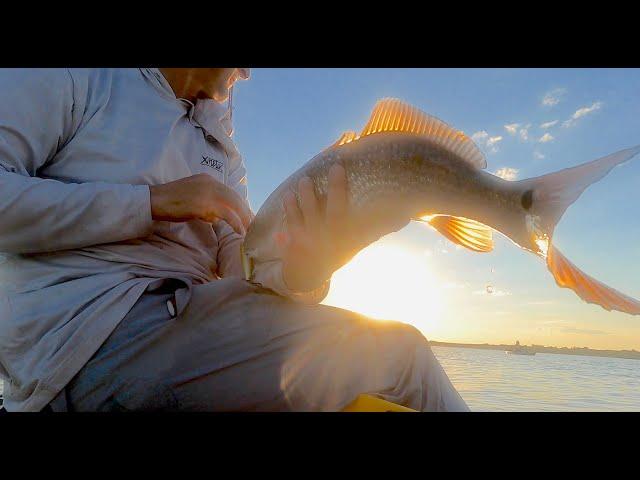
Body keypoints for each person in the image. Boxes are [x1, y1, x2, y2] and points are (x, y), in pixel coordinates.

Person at [0, 68, 469, 412]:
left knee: (384, 373)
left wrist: (308, 267)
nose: (247, 73)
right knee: (405, 358)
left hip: (191, 326)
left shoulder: (221, 145)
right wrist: (152, 203)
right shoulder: (77, 77)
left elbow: (244, 268)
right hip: (84, 341)